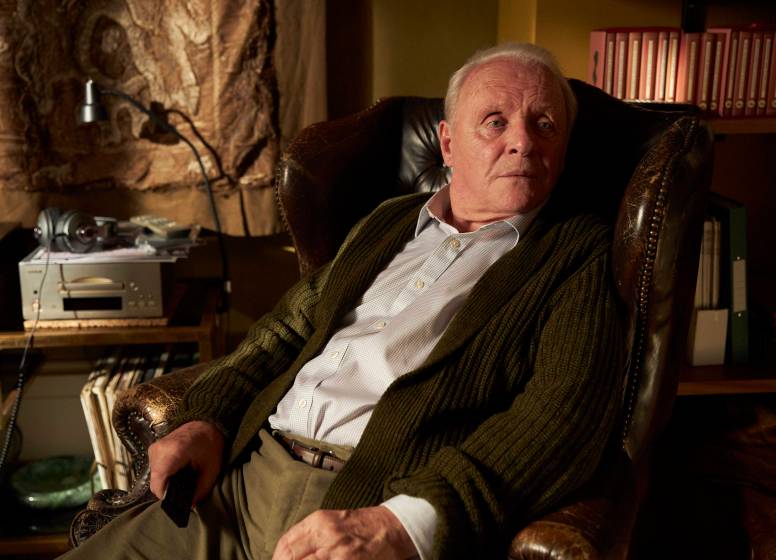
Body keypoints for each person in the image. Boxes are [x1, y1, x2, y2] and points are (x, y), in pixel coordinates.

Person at [61, 42, 625, 560]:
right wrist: (205, 419)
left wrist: (406, 524)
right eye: (496, 121)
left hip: (366, 500)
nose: (523, 140)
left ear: (563, 150)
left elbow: (561, 415)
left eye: (544, 124)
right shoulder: (389, 221)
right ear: (449, 143)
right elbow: (284, 330)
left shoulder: (576, 253)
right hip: (239, 481)